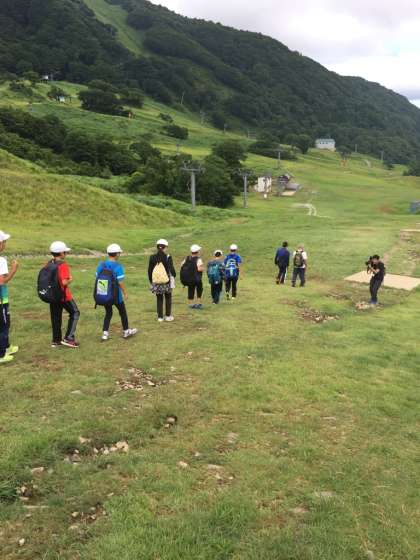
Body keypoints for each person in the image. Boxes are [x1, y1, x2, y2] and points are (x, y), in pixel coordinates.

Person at [96, 244, 137, 341]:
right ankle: (126, 331)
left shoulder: (101, 265)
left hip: (105, 294)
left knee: (108, 313)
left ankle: (105, 334)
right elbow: (120, 282)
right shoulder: (118, 267)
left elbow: (97, 277)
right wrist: (125, 293)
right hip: (116, 296)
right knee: (122, 312)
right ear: (117, 254)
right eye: (119, 253)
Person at [48, 241, 80, 348]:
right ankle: (69, 338)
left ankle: (56, 341)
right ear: (61, 253)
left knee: (55, 317)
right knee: (75, 312)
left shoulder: (49, 263)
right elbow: (64, 282)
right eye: (65, 252)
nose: (66, 253)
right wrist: (70, 279)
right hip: (63, 295)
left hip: (52, 295)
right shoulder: (63, 265)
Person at [0, 231, 19, 365]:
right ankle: (1, 354)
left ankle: (6, 347)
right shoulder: (1, 260)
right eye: (4, 242)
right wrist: (13, 269)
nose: (5, 244)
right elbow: (2, 281)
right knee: (4, 325)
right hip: (1, 300)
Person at [148, 239, 176, 322]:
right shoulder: (168, 257)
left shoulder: (152, 257)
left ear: (157, 247)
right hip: (166, 281)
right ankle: (168, 316)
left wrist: (151, 280)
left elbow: (150, 270)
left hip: (156, 281)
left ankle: (160, 317)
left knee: (159, 299)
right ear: (165, 247)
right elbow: (171, 269)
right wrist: (174, 275)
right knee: (168, 297)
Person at [180, 244, 204, 309]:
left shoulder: (187, 258)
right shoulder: (198, 259)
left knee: (190, 289)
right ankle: (198, 303)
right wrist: (202, 268)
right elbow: (199, 269)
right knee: (199, 289)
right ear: (197, 252)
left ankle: (191, 304)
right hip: (197, 278)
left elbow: (181, 265)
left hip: (189, 278)